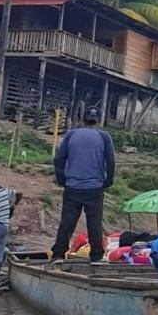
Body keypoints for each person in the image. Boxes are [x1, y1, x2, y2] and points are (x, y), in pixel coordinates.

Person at [51, 106, 115, 261]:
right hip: (95, 189)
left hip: (73, 187)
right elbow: (111, 162)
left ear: (82, 118)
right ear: (98, 120)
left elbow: (58, 159)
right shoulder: (104, 137)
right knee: (94, 224)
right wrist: (108, 181)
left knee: (67, 222)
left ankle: (58, 254)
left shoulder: (71, 135)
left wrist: (62, 179)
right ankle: (96, 256)